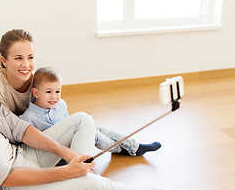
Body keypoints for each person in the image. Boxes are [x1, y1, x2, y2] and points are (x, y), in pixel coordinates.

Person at [0, 25, 235, 190]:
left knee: (83, 120)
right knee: (94, 185)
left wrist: (69, 154)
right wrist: (67, 172)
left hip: (19, 156)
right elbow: (2, 175)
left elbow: (16, 129)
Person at [0, 29, 161, 157]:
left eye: (31, 57)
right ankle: (122, 149)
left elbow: (52, 108)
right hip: (28, 138)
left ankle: (133, 146)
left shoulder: (36, 80)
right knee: (87, 128)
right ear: (4, 60)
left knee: (94, 128)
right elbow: (9, 127)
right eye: (18, 58)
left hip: (45, 129)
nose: (26, 64)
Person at [19, 67, 162, 157]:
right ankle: (123, 149)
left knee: (98, 128)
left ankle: (133, 146)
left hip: (70, 141)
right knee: (93, 134)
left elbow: (69, 125)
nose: (54, 96)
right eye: (48, 92)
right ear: (36, 93)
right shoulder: (29, 118)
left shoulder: (61, 104)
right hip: (56, 154)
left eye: (57, 91)